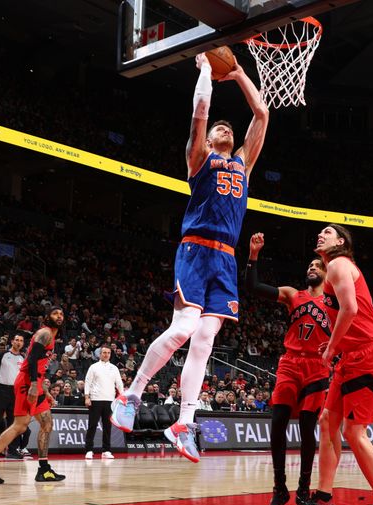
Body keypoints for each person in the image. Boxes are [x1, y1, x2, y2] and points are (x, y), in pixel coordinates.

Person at [110, 50, 268, 464]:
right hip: (196, 250)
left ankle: (183, 423)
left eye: (228, 127)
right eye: (220, 127)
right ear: (209, 139)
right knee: (182, 329)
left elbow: (262, 114)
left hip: (226, 261)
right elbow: (201, 109)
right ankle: (132, 393)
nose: (224, 128)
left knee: (204, 340)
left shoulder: (243, 166)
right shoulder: (200, 159)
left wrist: (237, 73)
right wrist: (204, 71)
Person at [291, 225, 373, 505]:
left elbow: (351, 309)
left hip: (368, 356)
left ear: (341, 242)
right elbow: (372, 315)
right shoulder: (334, 271)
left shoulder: (340, 264)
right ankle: (324, 499)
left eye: (328, 232)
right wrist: (339, 344)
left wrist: (331, 347)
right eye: (319, 232)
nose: (321, 234)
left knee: (353, 431)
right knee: (328, 421)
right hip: (354, 356)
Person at [245, 231, 330, 505]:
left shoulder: (335, 303)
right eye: (310, 265)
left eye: (317, 266)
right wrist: (254, 255)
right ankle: (279, 488)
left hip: (318, 366)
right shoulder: (294, 295)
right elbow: (254, 286)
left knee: (308, 426)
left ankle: (304, 491)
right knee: (278, 420)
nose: (312, 268)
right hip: (290, 363)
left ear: (328, 274)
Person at [0, 307, 66, 484]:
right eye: (55, 313)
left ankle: (44, 469)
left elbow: (38, 365)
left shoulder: (51, 336)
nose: (59, 316)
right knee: (20, 426)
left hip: (35, 383)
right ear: (48, 317)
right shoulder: (45, 333)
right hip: (27, 383)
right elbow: (30, 359)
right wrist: (33, 385)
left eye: (61, 314)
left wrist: (44, 391)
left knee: (45, 424)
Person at [0, 333, 27, 459]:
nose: (19, 342)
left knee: (14, 423)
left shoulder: (23, 358)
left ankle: (13, 450)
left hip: (16, 393)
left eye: (21, 340)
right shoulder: (2, 355)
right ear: (12, 341)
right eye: (16, 340)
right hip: (1, 391)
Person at [84, 345, 124, 460]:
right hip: (95, 400)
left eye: (108, 353)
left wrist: (122, 397)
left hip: (110, 401)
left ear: (110, 354)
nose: (106, 354)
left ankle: (106, 450)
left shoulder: (114, 368)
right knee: (92, 426)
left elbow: (119, 384)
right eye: (104, 352)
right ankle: (89, 450)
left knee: (107, 427)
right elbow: (88, 382)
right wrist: (87, 397)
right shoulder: (93, 367)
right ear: (100, 354)